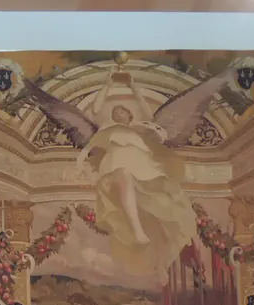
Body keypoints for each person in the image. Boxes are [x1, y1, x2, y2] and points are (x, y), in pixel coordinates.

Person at [76, 69, 197, 278]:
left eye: (123, 110)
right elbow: (95, 109)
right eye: (115, 110)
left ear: (130, 115)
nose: (118, 111)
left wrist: (133, 86)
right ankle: (137, 231)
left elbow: (148, 113)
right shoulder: (108, 128)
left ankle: (161, 264)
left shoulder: (138, 129)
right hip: (117, 169)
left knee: (160, 217)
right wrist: (107, 84)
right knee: (124, 175)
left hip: (144, 170)